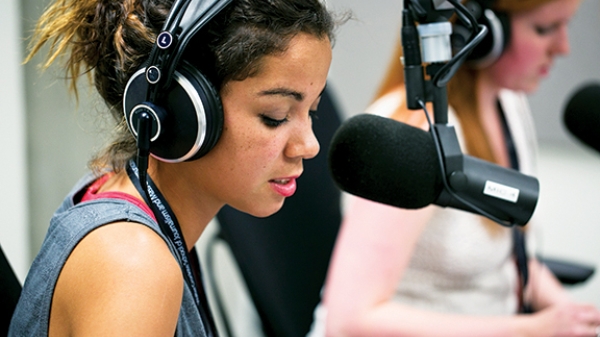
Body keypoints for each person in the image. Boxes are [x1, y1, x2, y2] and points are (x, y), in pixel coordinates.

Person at [9, 0, 339, 336]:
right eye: (276, 116)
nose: (309, 145)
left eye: (311, 111)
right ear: (181, 109)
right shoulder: (132, 264)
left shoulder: (128, 202)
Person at [311, 0, 600, 336]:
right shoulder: (410, 139)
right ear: (488, 33)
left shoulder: (507, 104)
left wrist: (566, 313)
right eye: (544, 29)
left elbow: (508, 256)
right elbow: (350, 320)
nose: (563, 47)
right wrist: (532, 330)